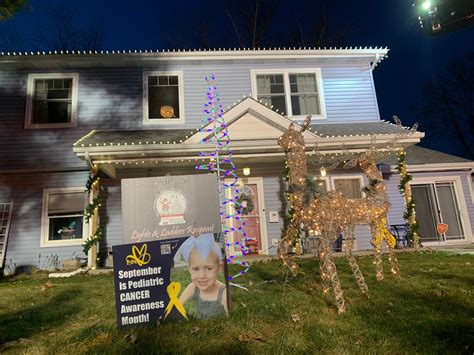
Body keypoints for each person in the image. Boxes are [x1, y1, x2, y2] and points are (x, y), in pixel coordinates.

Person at [177, 233, 228, 319]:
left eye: (209, 268)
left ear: (219, 267)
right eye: (196, 269)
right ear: (189, 268)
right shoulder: (192, 287)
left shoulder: (223, 293)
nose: (202, 276)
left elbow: (232, 322)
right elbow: (176, 307)